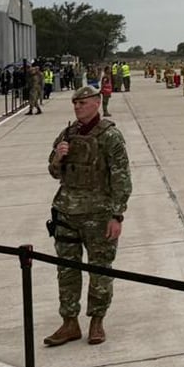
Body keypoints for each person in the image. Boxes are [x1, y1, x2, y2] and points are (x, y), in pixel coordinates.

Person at [43, 85, 133, 347]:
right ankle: (69, 322)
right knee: (67, 270)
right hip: (66, 212)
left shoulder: (110, 136)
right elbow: (53, 172)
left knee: (99, 269)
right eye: (75, 103)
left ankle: (97, 321)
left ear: (96, 103)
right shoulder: (68, 133)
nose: (77, 107)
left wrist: (117, 216)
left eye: (82, 102)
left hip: (98, 214)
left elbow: (122, 179)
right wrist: (58, 158)